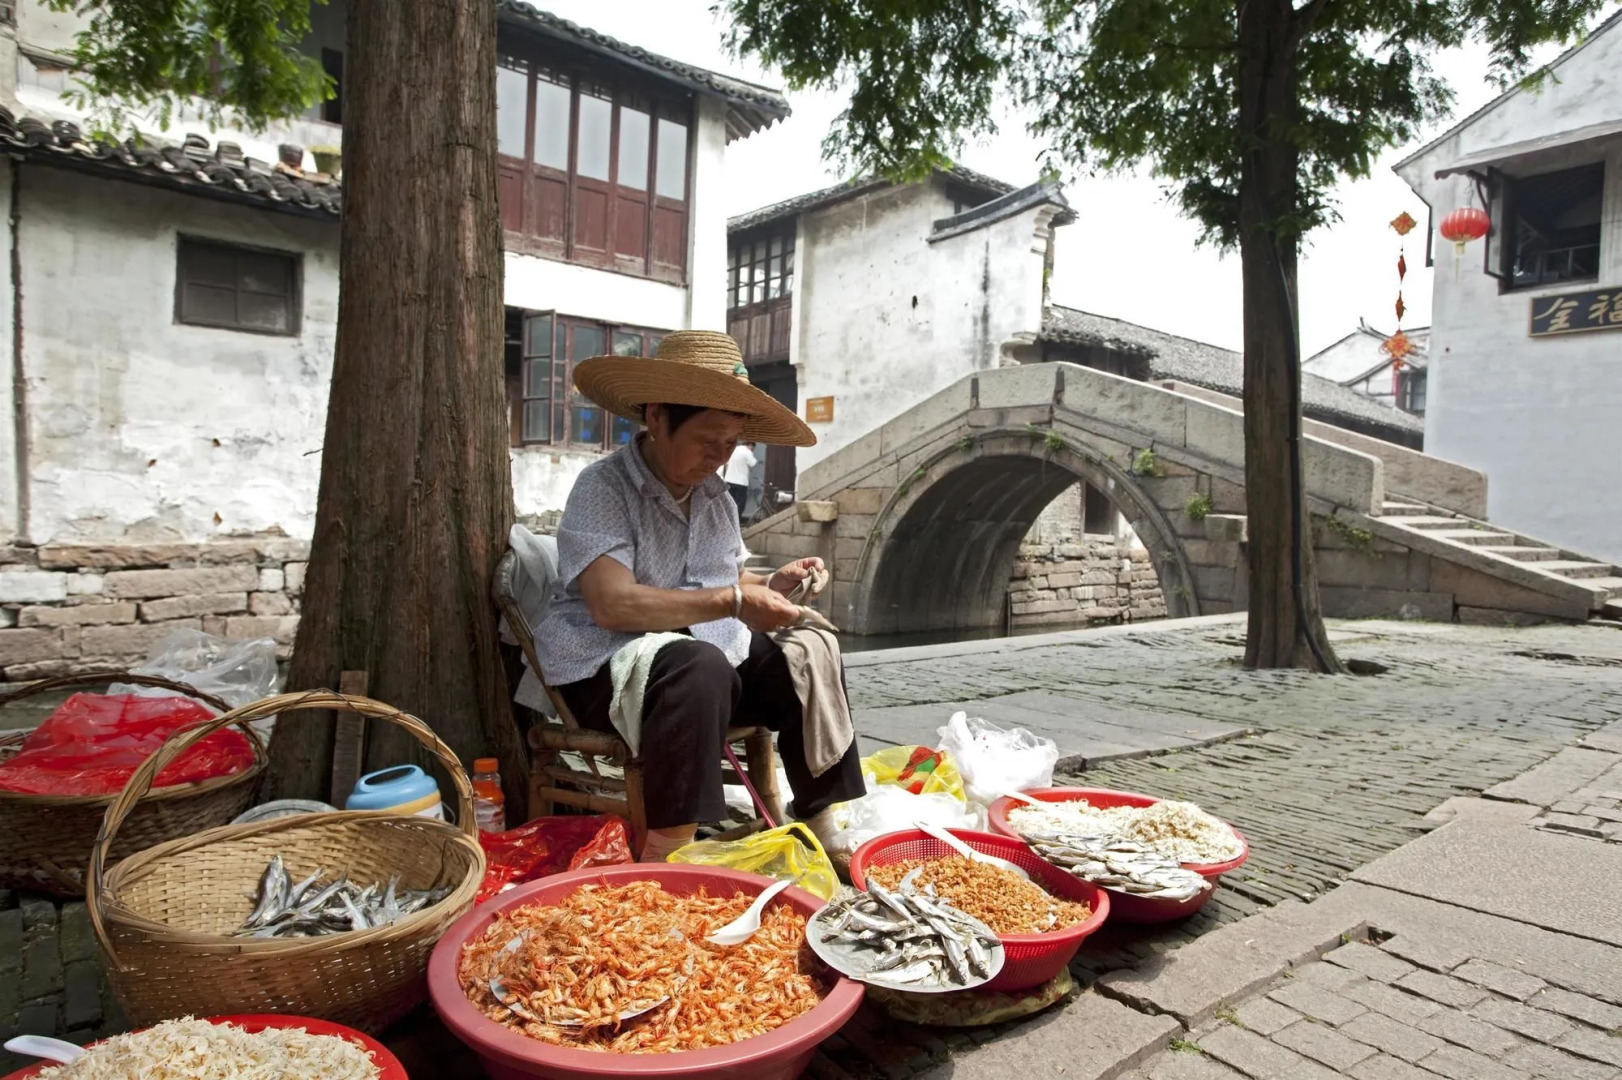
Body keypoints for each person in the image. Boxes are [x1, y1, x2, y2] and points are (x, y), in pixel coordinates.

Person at [535, 330, 863, 867]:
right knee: (699, 665)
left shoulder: (715, 499)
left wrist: (770, 586)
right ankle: (667, 850)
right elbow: (612, 605)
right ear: (658, 418)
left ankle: (821, 817)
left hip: (695, 665)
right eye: (708, 438)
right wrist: (734, 601)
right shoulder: (602, 487)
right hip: (598, 666)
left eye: (731, 443)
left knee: (806, 650)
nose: (720, 456)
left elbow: (720, 586)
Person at [722, 441, 757, 520]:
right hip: (741, 482)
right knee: (740, 503)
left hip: (729, 480)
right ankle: (736, 520)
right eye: (753, 448)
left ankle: (727, 519)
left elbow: (726, 462)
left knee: (730, 502)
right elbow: (753, 463)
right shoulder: (747, 452)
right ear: (750, 445)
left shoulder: (734, 449)